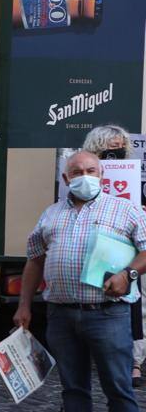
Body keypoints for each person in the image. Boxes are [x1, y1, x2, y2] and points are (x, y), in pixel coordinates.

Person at [14, 150, 143, 412]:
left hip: (108, 314)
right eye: (77, 171)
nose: (85, 175)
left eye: (91, 170)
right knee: (73, 388)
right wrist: (24, 304)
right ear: (66, 178)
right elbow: (34, 261)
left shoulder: (124, 209)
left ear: (101, 174)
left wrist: (128, 274)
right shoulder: (51, 214)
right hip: (61, 314)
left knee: (119, 389)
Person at [82, 124, 146, 388]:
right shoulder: (84, 173)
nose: (116, 152)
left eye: (120, 147)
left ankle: (134, 362)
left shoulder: (134, 173)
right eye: (110, 148)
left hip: (129, 246)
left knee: (136, 305)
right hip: (95, 247)